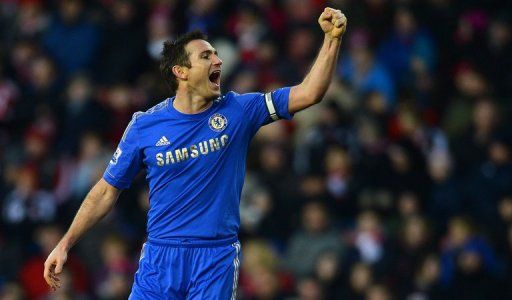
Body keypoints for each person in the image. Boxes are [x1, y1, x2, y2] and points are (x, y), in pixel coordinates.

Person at [43, 7, 348, 299]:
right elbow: (106, 191)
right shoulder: (145, 125)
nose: (218, 61)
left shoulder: (239, 110)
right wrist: (65, 244)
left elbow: (310, 92)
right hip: (161, 258)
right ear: (181, 71)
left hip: (214, 258)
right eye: (206, 56)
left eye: (216, 54)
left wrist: (332, 38)